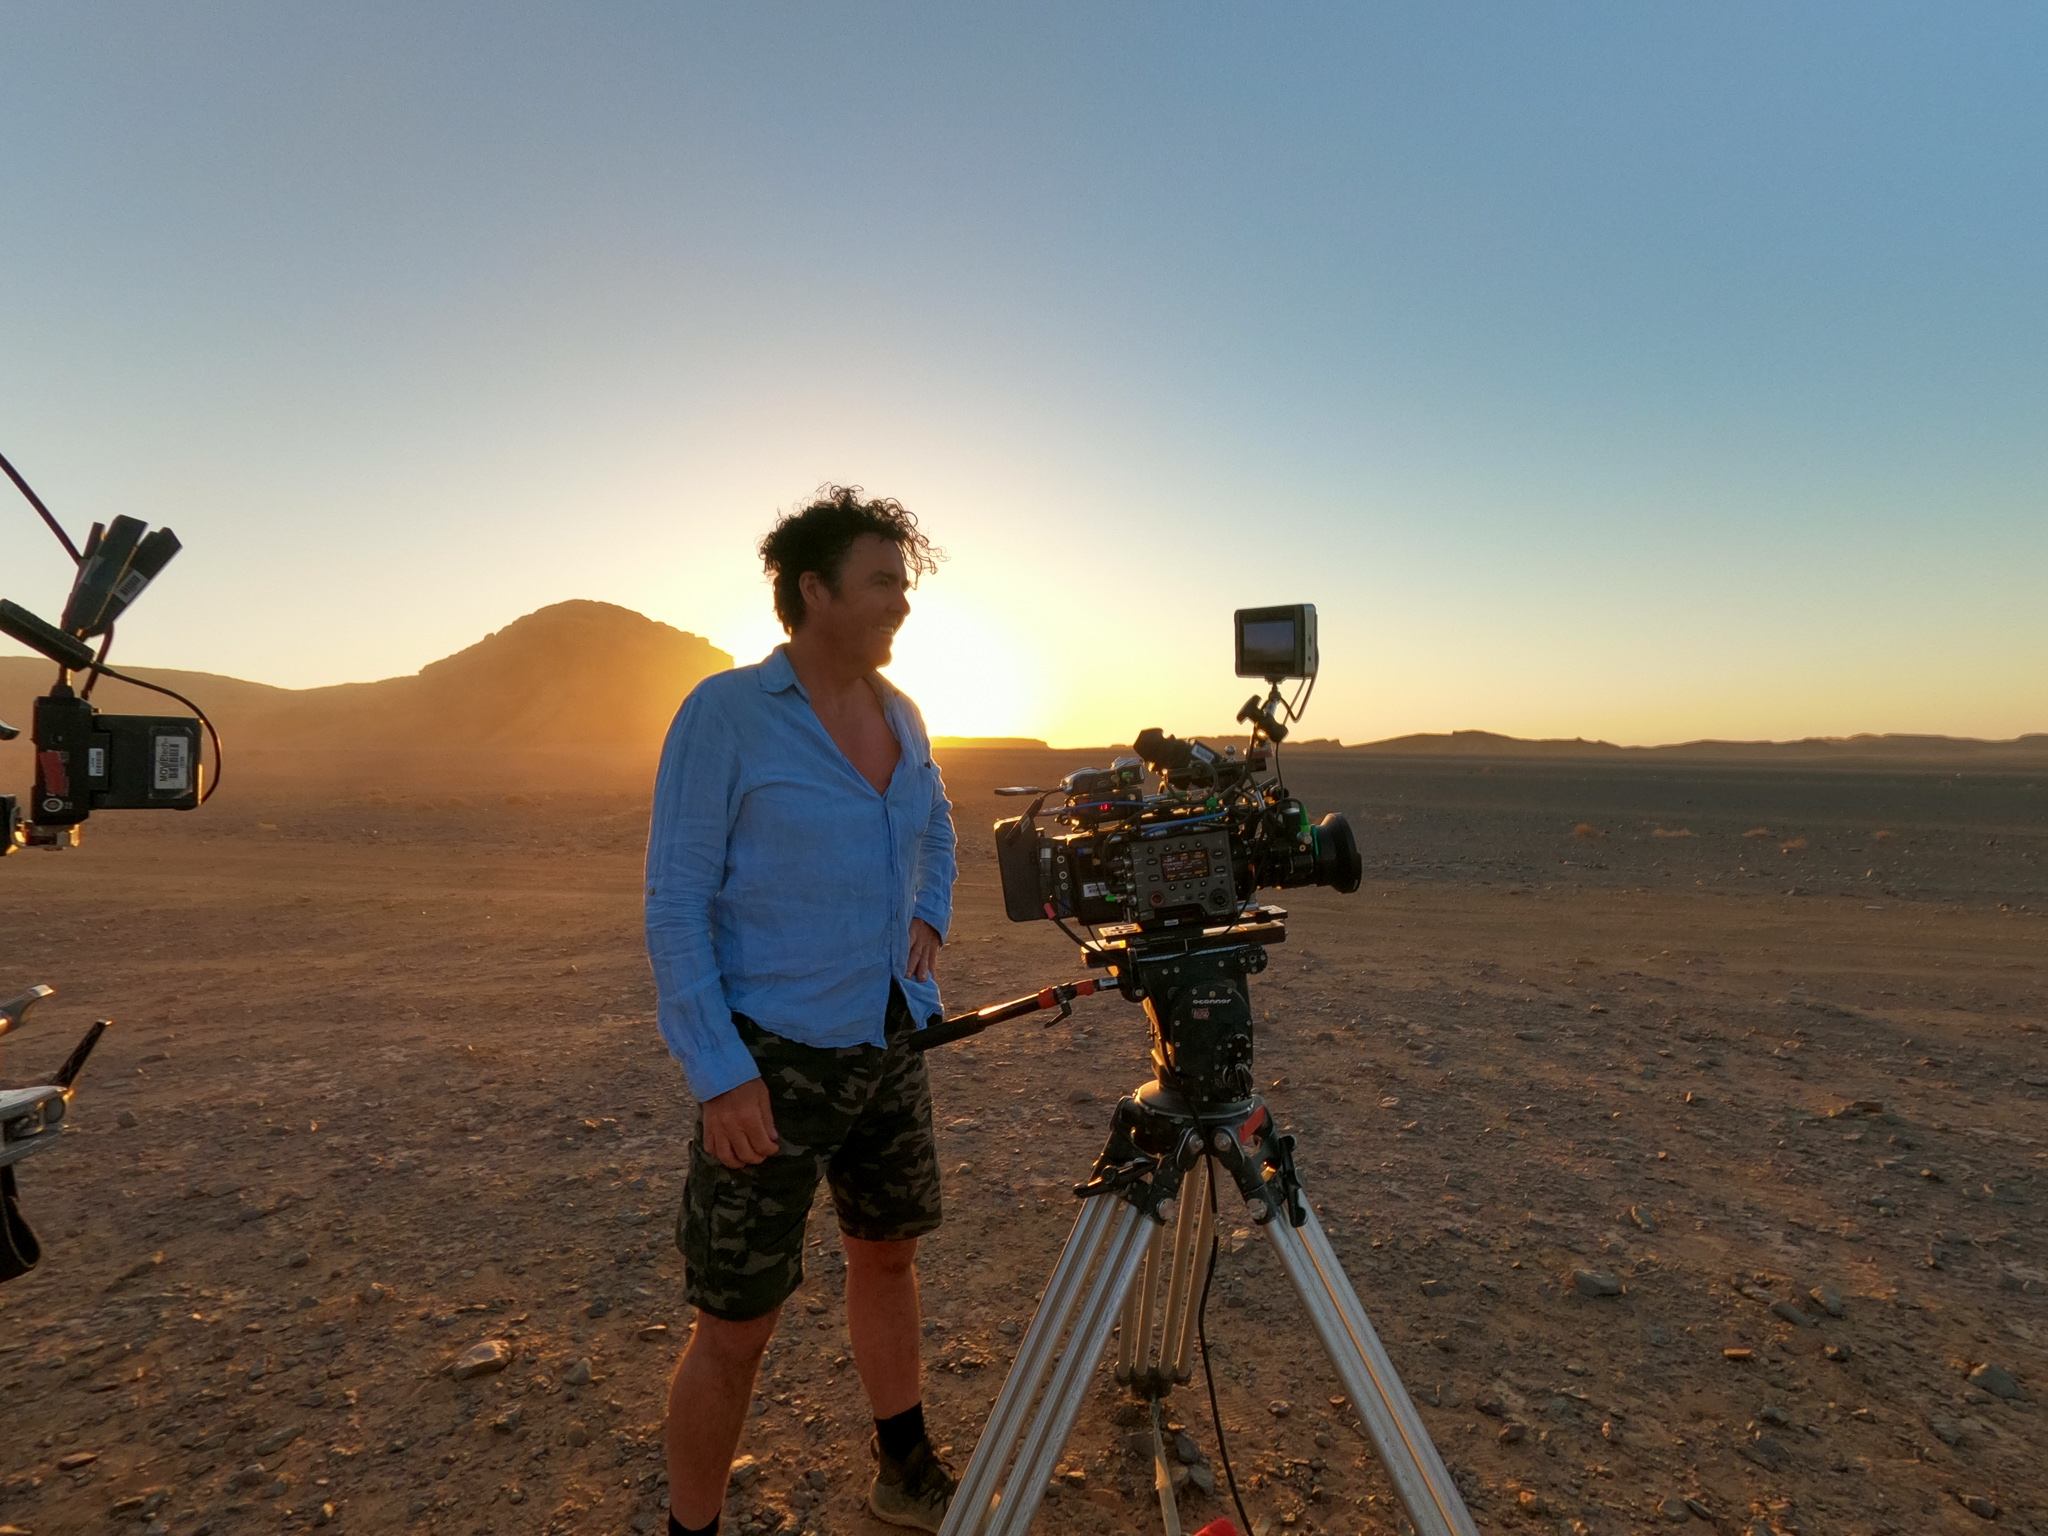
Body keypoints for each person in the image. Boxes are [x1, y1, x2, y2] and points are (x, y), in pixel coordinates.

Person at [645, 486, 959, 1536]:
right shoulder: (726, 714)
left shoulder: (902, 714)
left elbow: (937, 827)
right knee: (736, 1324)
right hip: (770, 1061)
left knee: (887, 1254)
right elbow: (675, 901)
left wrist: (928, 920)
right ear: (814, 589)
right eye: (882, 582)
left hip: (887, 1037)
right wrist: (718, 1073)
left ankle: (903, 1465)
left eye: (903, 583)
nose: (901, 602)